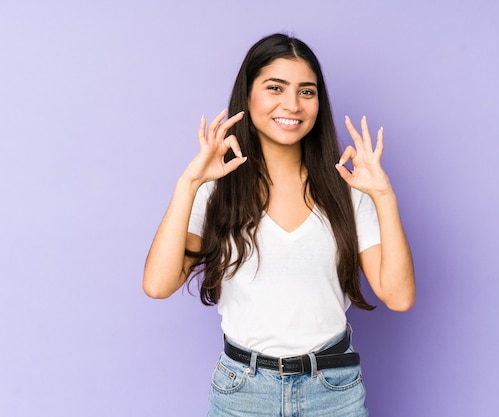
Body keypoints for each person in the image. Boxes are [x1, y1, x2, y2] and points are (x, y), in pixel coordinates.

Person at [143, 33, 415, 416]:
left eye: (307, 91)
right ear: (248, 94)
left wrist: (384, 196)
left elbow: (399, 296)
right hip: (243, 392)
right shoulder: (216, 190)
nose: (292, 104)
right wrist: (188, 184)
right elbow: (158, 284)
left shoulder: (348, 190)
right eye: (275, 88)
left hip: (333, 391)